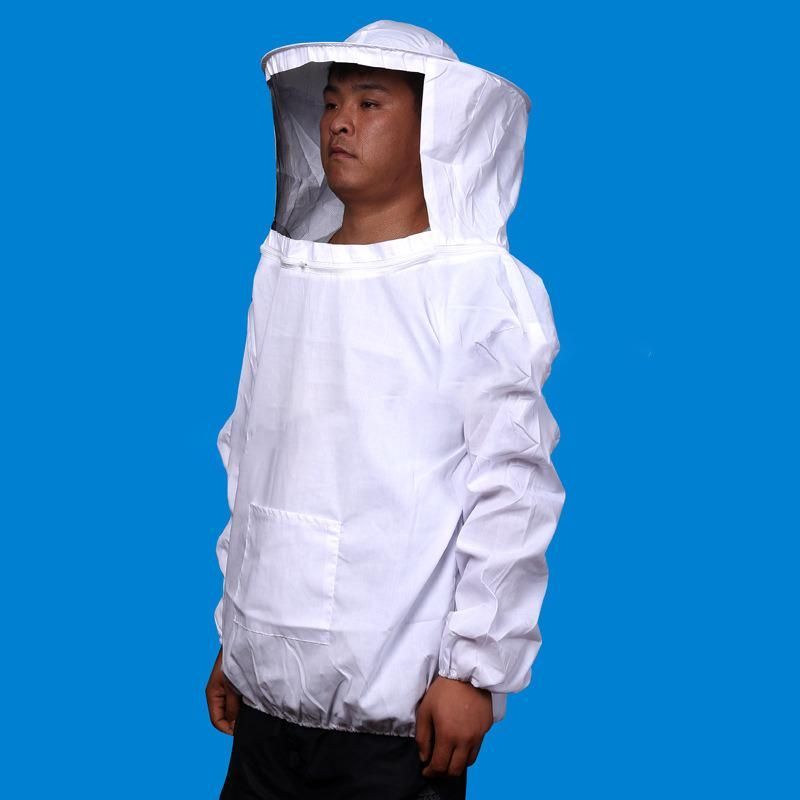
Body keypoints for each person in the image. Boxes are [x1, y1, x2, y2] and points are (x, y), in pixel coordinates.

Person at [205, 19, 566, 800]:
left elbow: (512, 485)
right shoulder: (284, 275)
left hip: (397, 731)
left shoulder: (477, 286)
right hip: (266, 712)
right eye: (332, 102)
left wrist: (475, 670)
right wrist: (238, 640)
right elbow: (254, 464)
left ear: (437, 130)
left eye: (370, 103)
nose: (340, 121)